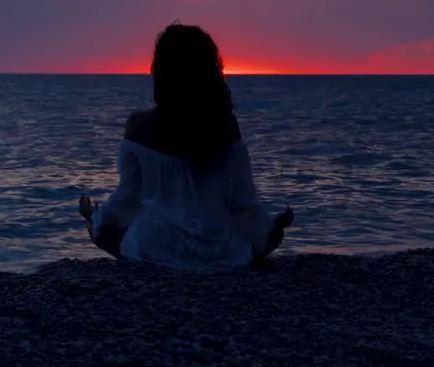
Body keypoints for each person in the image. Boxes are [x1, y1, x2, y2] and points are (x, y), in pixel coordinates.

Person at [78, 23, 294, 271]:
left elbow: (126, 200)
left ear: (160, 72)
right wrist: (268, 232)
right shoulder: (226, 127)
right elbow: (243, 206)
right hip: (219, 252)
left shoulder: (139, 126)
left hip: (154, 247)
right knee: (265, 238)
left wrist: (96, 218)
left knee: (104, 231)